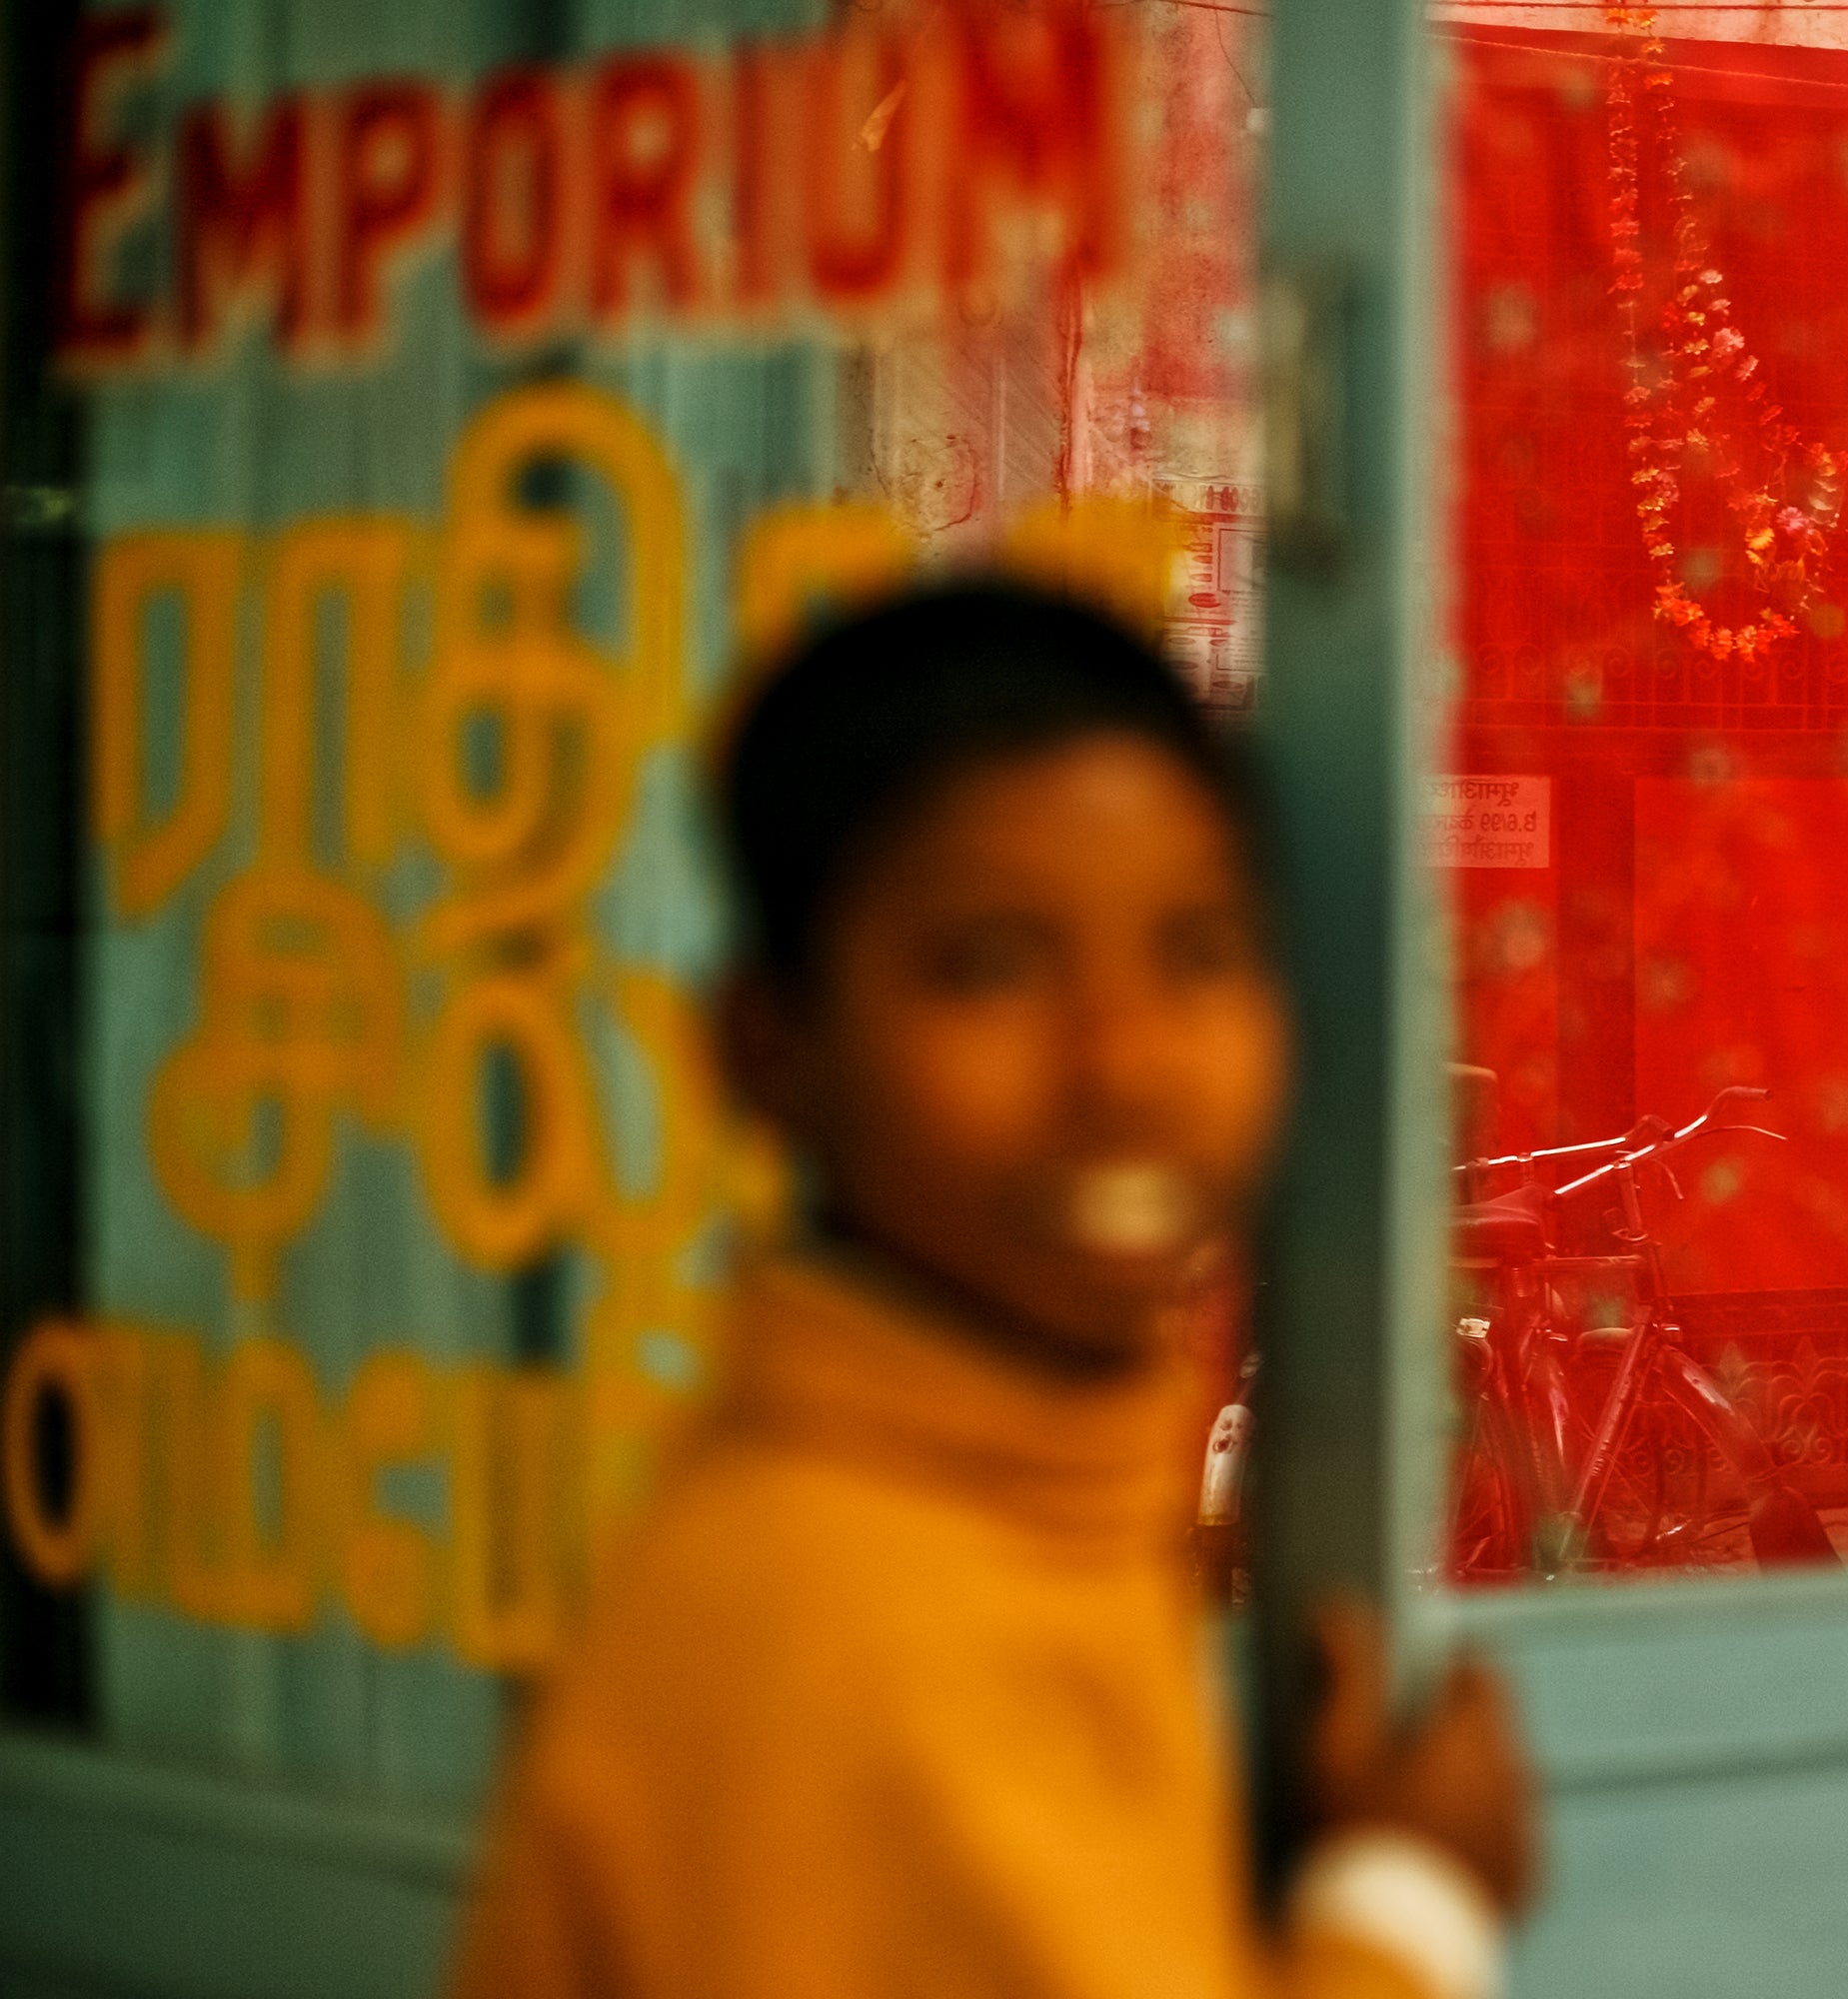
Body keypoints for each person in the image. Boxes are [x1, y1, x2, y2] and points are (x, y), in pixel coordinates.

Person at [449, 583, 1535, 1999]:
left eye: (1198, 951)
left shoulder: (1028, 1501)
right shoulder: (839, 1624)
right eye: (991, 965)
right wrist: (1411, 1903)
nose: (1124, 1066)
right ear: (767, 1048)